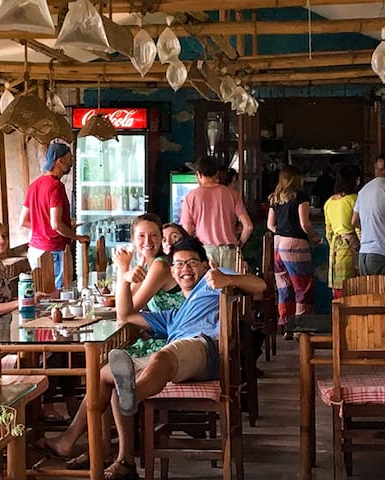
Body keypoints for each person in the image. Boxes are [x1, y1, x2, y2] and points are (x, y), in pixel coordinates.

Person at [34, 238, 266, 479]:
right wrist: (124, 274)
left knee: (161, 356)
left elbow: (260, 285)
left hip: (206, 348)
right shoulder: (174, 316)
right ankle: (120, 458)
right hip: (176, 352)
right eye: (178, 264)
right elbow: (125, 315)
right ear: (173, 271)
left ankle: (131, 394)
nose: (185, 269)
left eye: (192, 262)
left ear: (205, 264)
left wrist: (228, 280)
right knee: (106, 374)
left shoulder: (212, 281)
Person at [19, 143, 90, 290]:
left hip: (35, 250)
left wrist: (48, 226)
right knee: (56, 297)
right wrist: (78, 237)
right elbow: (56, 224)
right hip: (53, 252)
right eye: (69, 159)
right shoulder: (56, 186)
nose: (72, 163)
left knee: (43, 295)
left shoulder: (34, 185)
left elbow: (24, 221)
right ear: (59, 161)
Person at [267, 165, 321, 332]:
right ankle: (301, 326)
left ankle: (284, 324)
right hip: (295, 244)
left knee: (284, 286)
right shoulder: (301, 196)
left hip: (278, 244)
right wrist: (314, 237)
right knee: (302, 286)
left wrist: (283, 232)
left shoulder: (274, 198)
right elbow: (304, 223)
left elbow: (270, 225)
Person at [180, 156, 253, 270]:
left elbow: (187, 232)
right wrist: (238, 245)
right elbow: (248, 226)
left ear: (198, 174)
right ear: (217, 173)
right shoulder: (232, 194)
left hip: (206, 253)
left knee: (208, 287)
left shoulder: (190, 197)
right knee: (230, 286)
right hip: (230, 251)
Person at [113, 214, 184, 313]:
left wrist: (123, 268)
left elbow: (126, 311)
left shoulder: (160, 266)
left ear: (161, 238)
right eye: (141, 236)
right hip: (165, 326)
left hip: (177, 327)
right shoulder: (146, 263)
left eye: (154, 235)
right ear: (133, 239)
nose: (148, 241)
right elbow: (127, 300)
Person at [324, 165, 361, 298]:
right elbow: (359, 226)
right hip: (351, 246)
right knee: (354, 286)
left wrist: (333, 245)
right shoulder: (354, 199)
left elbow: (328, 232)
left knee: (338, 286)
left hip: (335, 247)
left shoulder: (328, 202)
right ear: (355, 180)